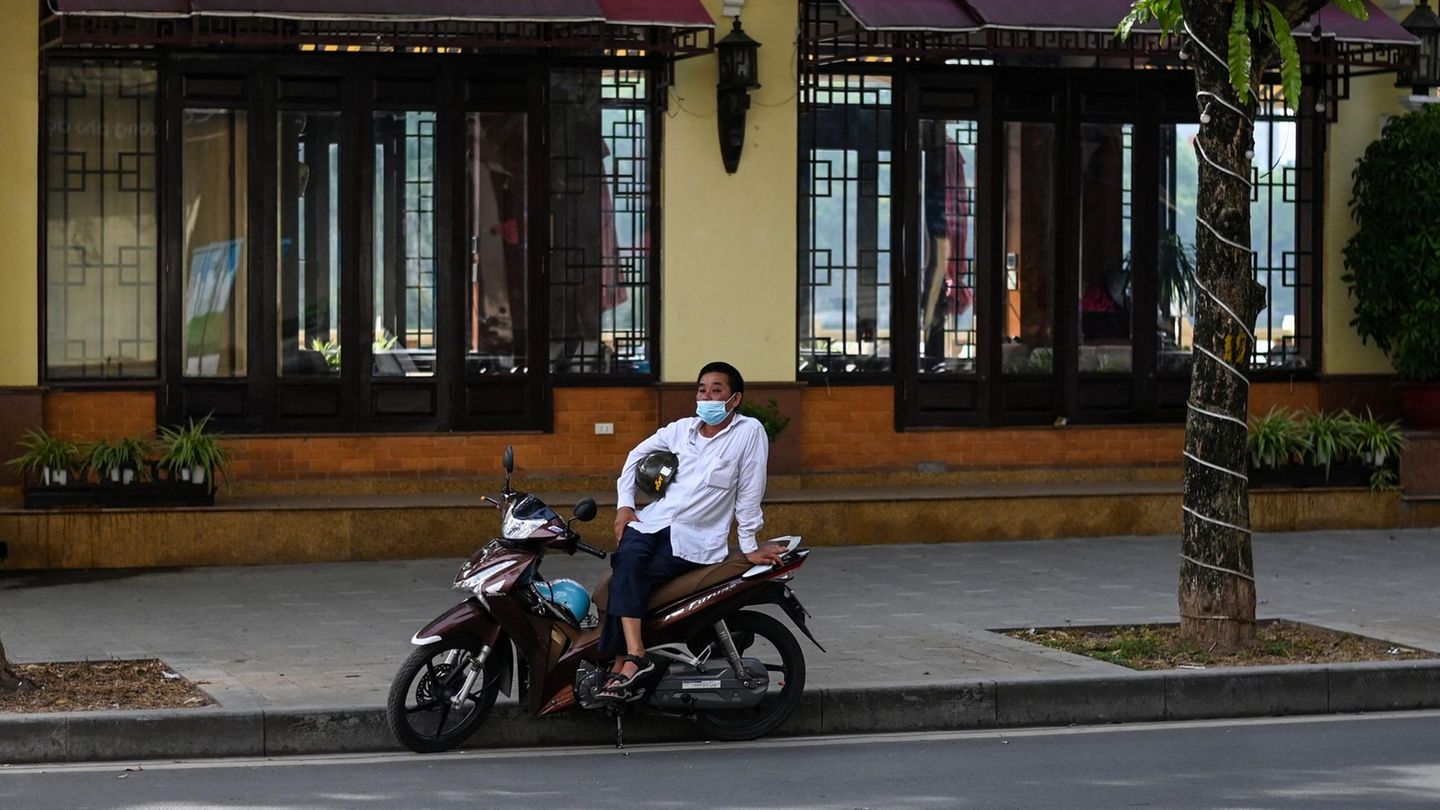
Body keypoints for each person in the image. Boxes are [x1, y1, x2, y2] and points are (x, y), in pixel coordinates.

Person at [598, 361, 784, 700]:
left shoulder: (748, 432)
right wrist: (626, 506)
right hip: (653, 520)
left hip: (695, 539)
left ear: (735, 398)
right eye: (702, 389)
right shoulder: (682, 429)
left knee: (629, 577)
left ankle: (621, 661)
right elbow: (634, 456)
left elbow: (749, 492)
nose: (707, 396)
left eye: (717, 390)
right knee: (626, 564)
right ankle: (635, 654)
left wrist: (749, 543)